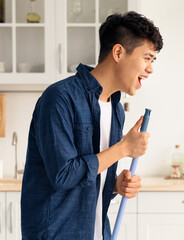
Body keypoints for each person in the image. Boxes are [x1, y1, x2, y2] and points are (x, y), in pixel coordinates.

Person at [21, 11, 163, 240]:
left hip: (98, 233)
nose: (150, 68)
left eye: (153, 60)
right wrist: (124, 148)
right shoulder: (59, 98)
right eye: (147, 58)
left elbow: (92, 177)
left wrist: (116, 184)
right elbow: (63, 175)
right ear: (118, 52)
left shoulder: (116, 109)